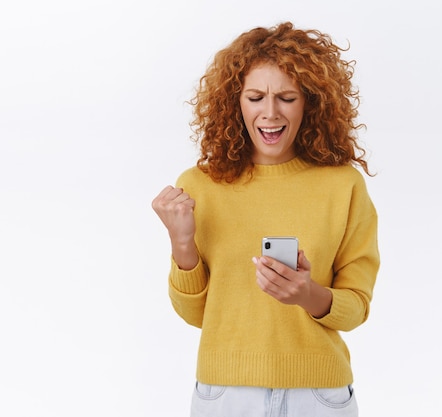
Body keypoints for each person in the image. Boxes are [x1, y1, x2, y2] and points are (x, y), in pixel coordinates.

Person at [151, 21, 379, 417]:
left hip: (320, 396)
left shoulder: (343, 186)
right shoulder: (198, 186)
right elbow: (195, 314)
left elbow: (357, 307)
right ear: (234, 101)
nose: (270, 114)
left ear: (310, 101)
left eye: (287, 98)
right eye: (256, 97)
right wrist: (182, 243)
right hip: (225, 395)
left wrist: (307, 295)